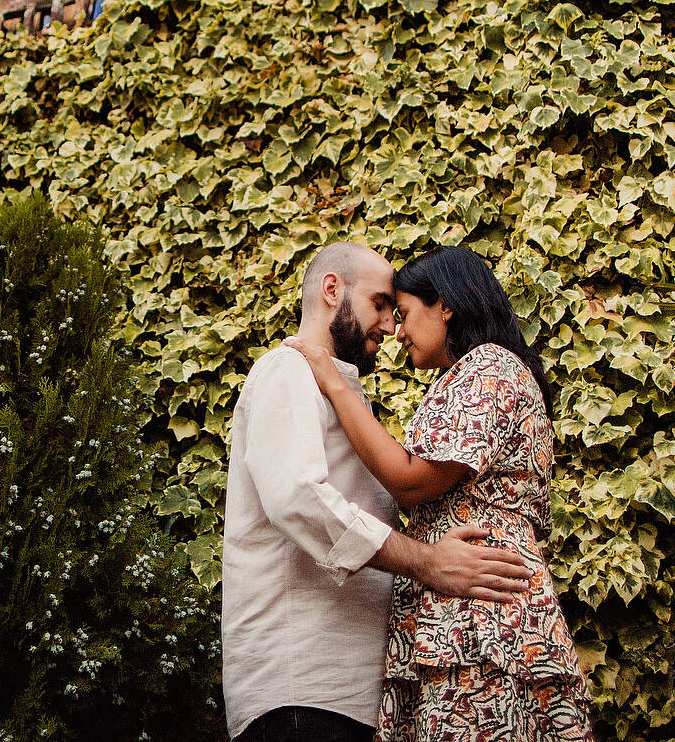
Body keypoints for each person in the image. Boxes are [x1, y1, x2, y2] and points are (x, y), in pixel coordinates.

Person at [222, 241, 533, 742]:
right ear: (332, 290)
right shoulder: (287, 371)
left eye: (396, 310)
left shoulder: (339, 393)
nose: (391, 327)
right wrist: (428, 562)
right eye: (380, 305)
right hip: (302, 690)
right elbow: (298, 498)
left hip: (352, 698)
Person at [283, 246, 593, 742]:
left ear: (445, 306)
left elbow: (410, 481)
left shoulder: (489, 368)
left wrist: (333, 383)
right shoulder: (470, 375)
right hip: (462, 608)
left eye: (404, 314)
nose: (397, 331)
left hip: (481, 615)